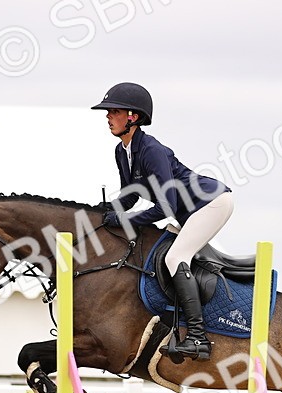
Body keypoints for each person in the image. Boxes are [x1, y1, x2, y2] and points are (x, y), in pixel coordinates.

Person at [92, 82, 232, 361]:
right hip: (189, 211)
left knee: (175, 257)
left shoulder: (151, 150)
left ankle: (198, 337)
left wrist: (124, 220)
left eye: (114, 111)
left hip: (211, 203)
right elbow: (130, 196)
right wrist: (99, 214)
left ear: (132, 117)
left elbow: (165, 207)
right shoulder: (122, 151)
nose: (108, 116)